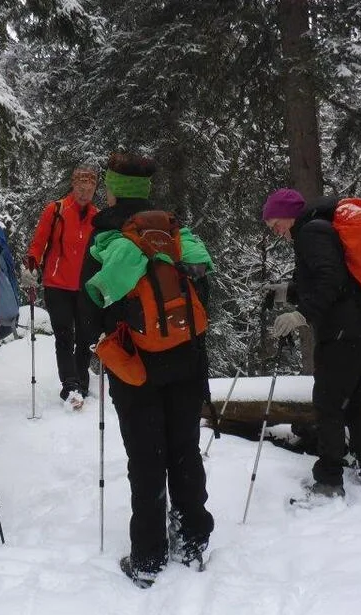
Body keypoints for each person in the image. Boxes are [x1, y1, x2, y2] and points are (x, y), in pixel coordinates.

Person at [83, 152, 214, 587]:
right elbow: (203, 292)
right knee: (184, 448)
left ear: (114, 187)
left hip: (135, 363)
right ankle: (193, 537)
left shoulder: (105, 233)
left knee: (146, 456)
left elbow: (94, 303)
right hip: (186, 356)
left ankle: (148, 556)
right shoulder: (175, 231)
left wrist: (96, 344)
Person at [262, 189, 361, 499]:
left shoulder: (311, 232)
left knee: (328, 405)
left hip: (342, 334)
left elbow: (331, 281)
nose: (276, 230)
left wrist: (301, 315)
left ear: (291, 214)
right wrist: (287, 291)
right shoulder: (322, 229)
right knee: (354, 401)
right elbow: (326, 280)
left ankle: (329, 480)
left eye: (276, 223)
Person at [22, 166, 100, 408]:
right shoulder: (56, 210)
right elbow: (39, 242)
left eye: (89, 188)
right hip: (57, 284)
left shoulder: (98, 217)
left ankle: (82, 381)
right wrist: (31, 264)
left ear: (95, 189)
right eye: (80, 187)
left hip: (86, 286)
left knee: (86, 337)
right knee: (64, 336)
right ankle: (71, 386)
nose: (84, 193)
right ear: (73, 185)